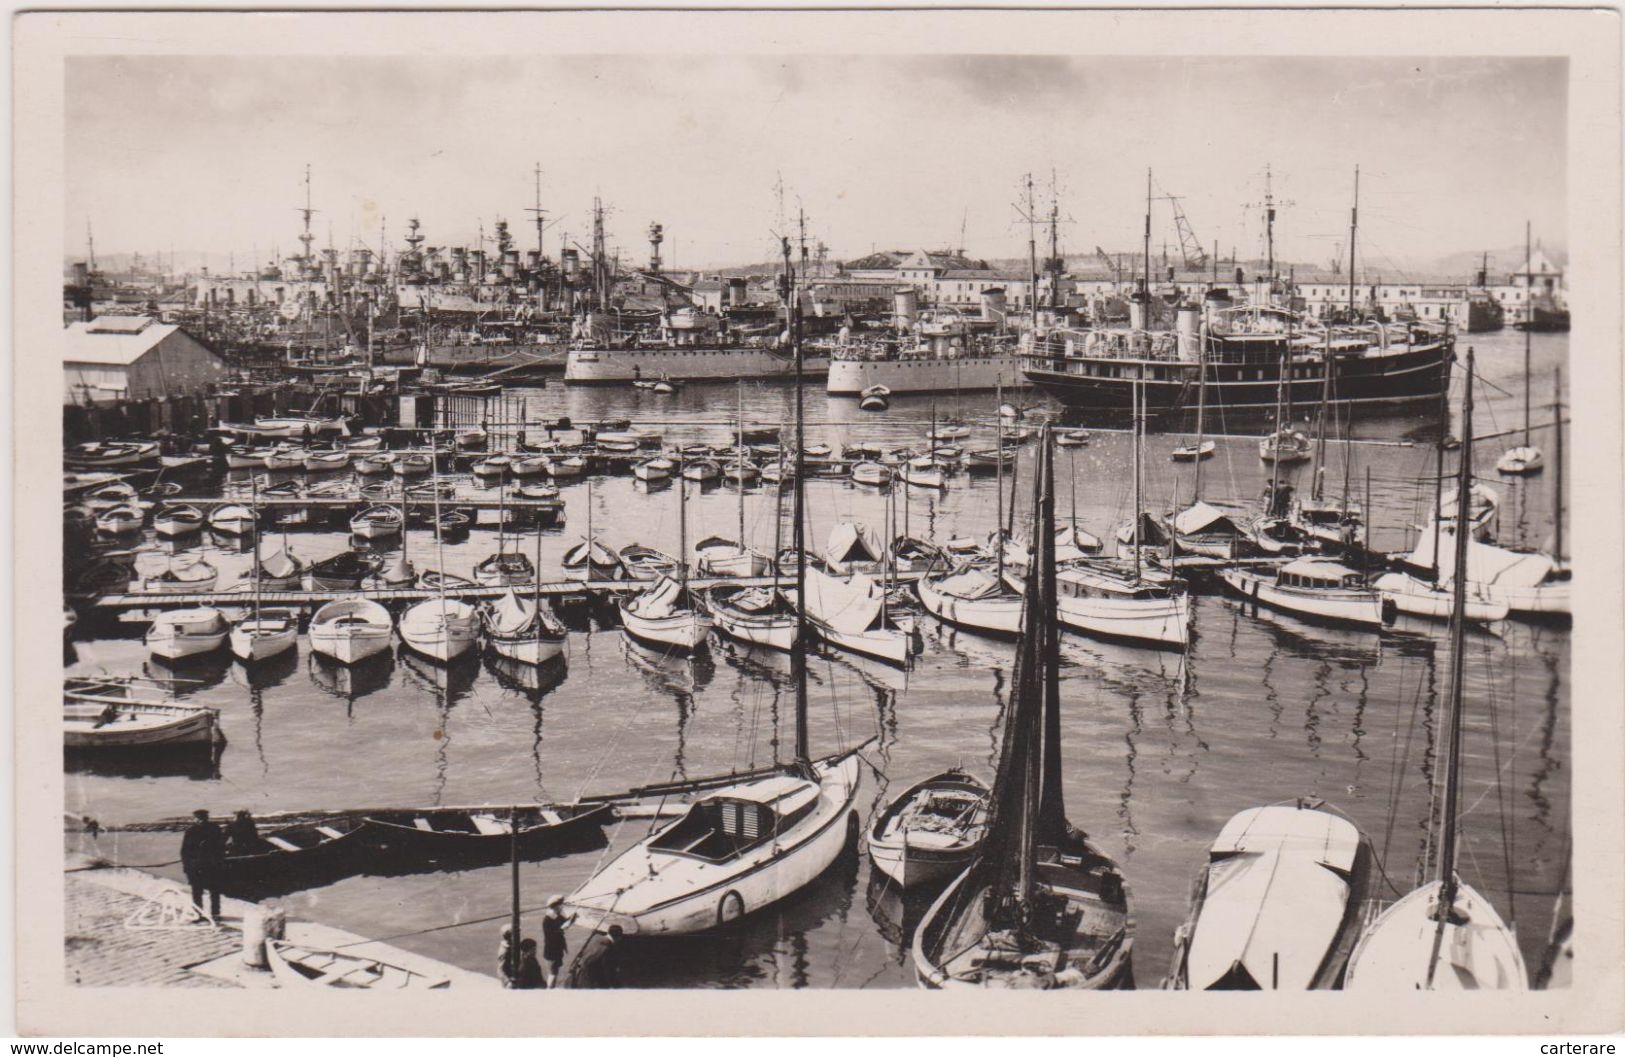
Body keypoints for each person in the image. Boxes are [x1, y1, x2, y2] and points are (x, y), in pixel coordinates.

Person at [179, 809, 225, 921]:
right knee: (199, 892)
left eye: (201, 818)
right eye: (198, 818)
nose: (200, 821)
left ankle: (214, 914)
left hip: (207, 866)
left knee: (211, 891)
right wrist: (186, 866)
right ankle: (201, 914)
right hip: (199, 867)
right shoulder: (193, 831)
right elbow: (185, 851)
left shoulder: (213, 829)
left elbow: (220, 848)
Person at [539, 895, 576, 988]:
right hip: (552, 951)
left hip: (557, 950)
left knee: (555, 971)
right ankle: (549, 990)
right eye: (560, 905)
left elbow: (564, 923)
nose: (562, 907)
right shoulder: (548, 920)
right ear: (555, 906)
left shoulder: (556, 916)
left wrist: (571, 919)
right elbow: (561, 929)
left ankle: (552, 987)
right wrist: (571, 920)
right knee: (552, 973)